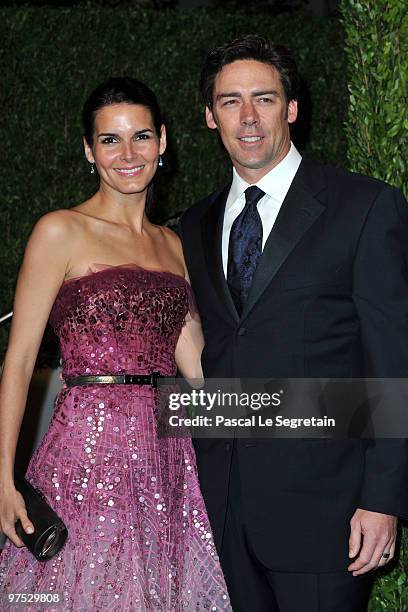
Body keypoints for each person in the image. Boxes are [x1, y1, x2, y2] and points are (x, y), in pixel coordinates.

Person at [179, 35, 408, 612]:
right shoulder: (191, 226)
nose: (248, 117)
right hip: (222, 511)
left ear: (292, 109)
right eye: (230, 101)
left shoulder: (364, 207)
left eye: (264, 98)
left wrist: (383, 499)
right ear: (210, 116)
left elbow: (393, 359)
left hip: (327, 513)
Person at [0, 77, 231, 611]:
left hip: (168, 459)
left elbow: (196, 368)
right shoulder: (60, 231)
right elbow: (17, 364)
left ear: (164, 141)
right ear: (89, 149)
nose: (128, 155)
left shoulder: (174, 246)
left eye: (141, 137)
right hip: (85, 454)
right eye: (110, 140)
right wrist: (4, 480)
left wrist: (297, 421)